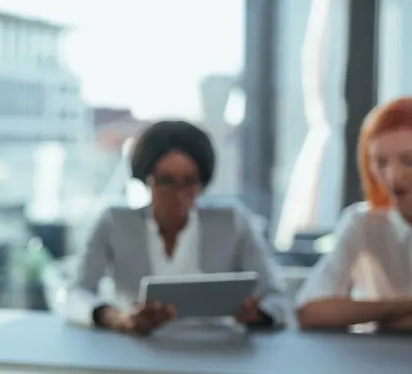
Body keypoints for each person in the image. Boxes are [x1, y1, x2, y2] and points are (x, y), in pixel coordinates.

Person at [63, 120, 289, 334]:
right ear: (146, 178)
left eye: (190, 181)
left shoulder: (232, 221)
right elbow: (76, 293)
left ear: (202, 181)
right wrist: (117, 318)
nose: (179, 194)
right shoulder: (115, 222)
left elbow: (276, 297)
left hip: (217, 347)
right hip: (135, 347)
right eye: (166, 181)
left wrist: (258, 314)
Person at [296, 96, 412, 334]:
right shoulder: (362, 223)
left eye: (408, 161)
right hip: (373, 363)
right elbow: (310, 310)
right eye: (380, 163)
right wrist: (399, 308)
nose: (393, 177)